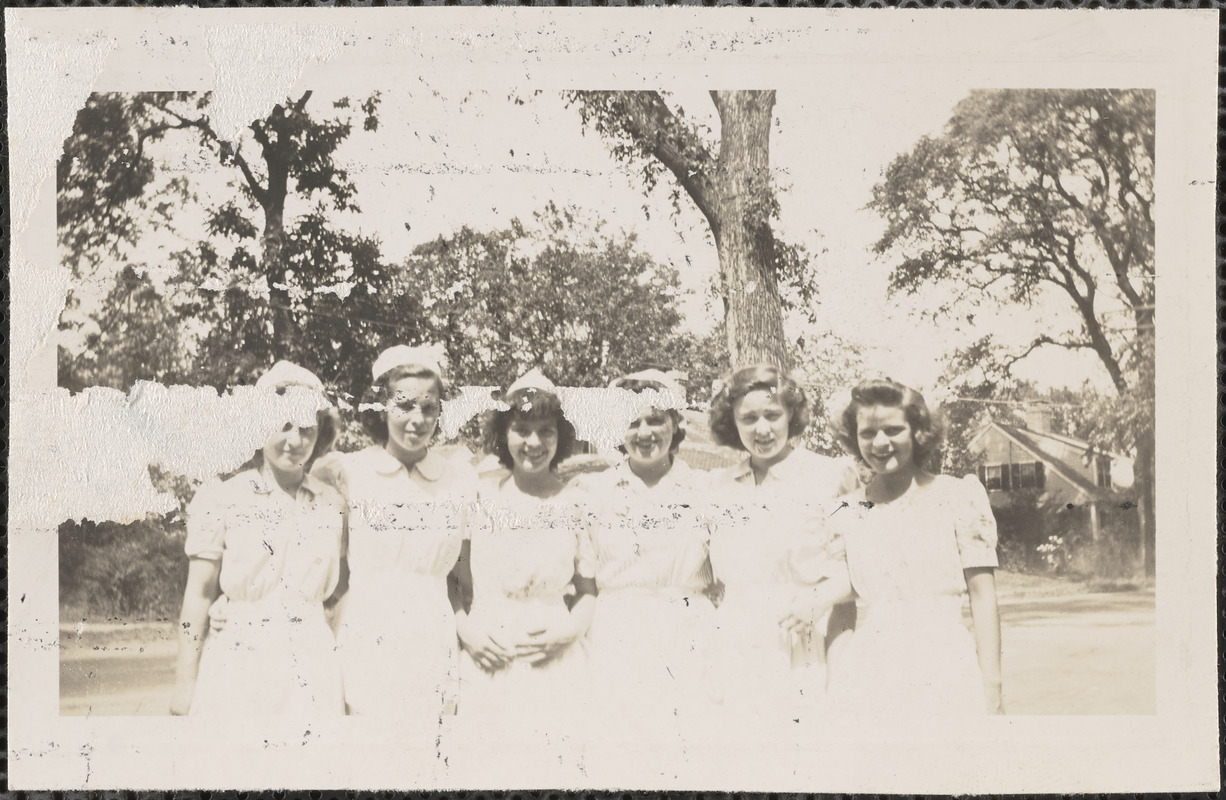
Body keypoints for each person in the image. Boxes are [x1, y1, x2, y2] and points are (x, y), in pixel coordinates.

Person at [310, 344, 479, 721]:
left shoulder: (458, 481)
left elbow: (463, 579)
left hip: (433, 636)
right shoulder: (347, 473)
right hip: (368, 632)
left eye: (428, 407)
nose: (417, 419)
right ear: (380, 408)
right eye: (403, 405)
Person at [169, 361, 345, 717]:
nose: (294, 440)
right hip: (239, 662)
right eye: (282, 424)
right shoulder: (223, 498)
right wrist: (185, 684)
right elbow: (199, 595)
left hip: (314, 665)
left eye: (306, 427)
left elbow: (342, 593)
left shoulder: (333, 503)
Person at [824, 378, 1004, 715]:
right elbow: (842, 610)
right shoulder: (845, 512)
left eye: (893, 430)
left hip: (945, 663)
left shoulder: (957, 497)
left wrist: (992, 686)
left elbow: (983, 597)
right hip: (870, 671)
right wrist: (835, 686)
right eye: (867, 433)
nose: (880, 443)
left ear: (917, 432)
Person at [573, 370, 716, 775]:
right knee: (620, 755)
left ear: (675, 424)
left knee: (687, 753)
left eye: (656, 419)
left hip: (689, 633)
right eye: (633, 422)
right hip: (618, 635)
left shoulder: (705, 490)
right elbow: (585, 579)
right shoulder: (593, 492)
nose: (645, 431)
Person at [703, 363, 860, 729]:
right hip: (734, 646)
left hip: (803, 642)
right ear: (733, 423)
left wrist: (818, 602)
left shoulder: (829, 476)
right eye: (749, 418)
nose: (762, 428)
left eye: (773, 414)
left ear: (791, 413)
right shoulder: (718, 487)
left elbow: (853, 575)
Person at [453, 368, 596, 747]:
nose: (534, 442)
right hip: (489, 651)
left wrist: (569, 631)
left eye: (546, 430)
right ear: (503, 434)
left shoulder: (577, 502)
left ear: (561, 436)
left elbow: (588, 589)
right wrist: (467, 632)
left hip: (554, 654)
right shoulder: (478, 496)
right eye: (521, 429)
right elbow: (453, 578)